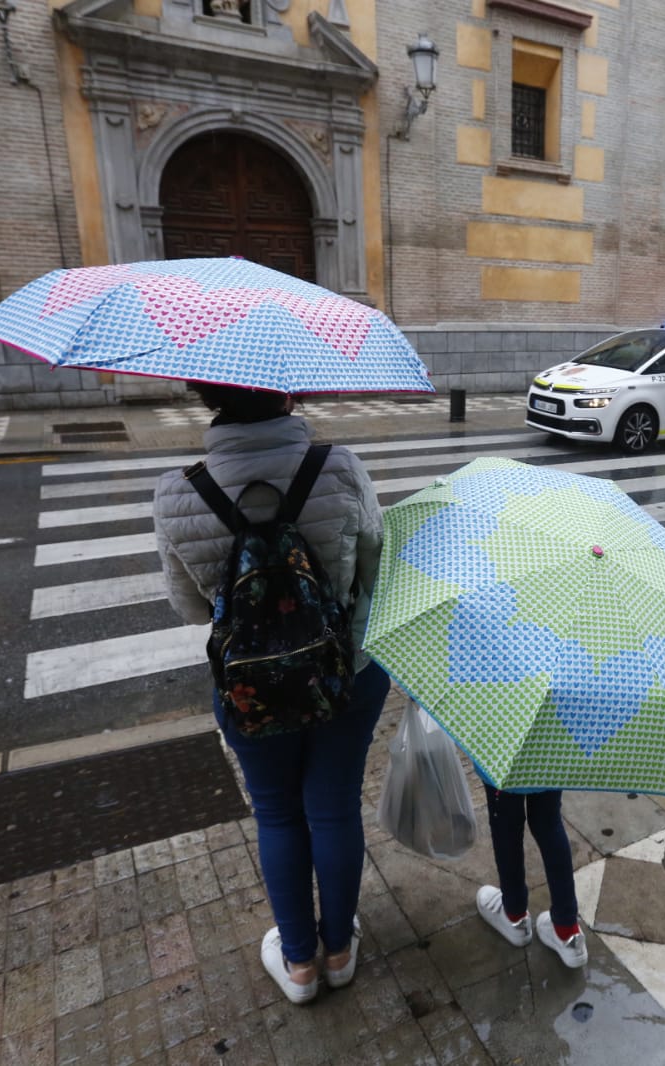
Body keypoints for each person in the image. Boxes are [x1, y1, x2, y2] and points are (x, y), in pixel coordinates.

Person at [154, 382, 387, 1004]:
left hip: (250, 690)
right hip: (346, 673)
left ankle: (299, 965)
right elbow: (374, 567)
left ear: (205, 395)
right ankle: (339, 950)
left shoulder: (180, 491)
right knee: (333, 809)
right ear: (288, 392)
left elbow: (188, 608)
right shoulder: (337, 467)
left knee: (278, 814)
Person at [474, 784, 588, 968]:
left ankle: (515, 916)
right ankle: (568, 933)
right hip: (547, 758)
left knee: (505, 823)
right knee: (549, 822)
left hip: (502, 759)